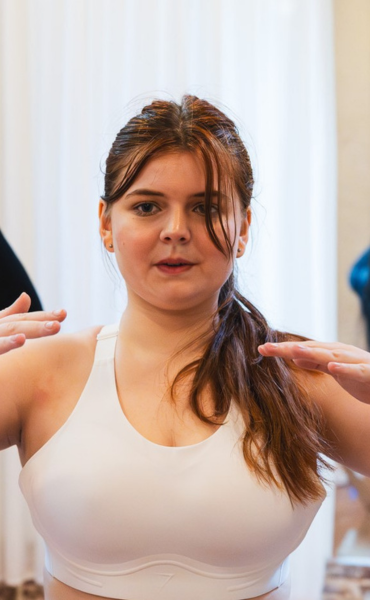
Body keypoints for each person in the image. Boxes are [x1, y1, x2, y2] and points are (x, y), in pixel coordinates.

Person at [0, 96, 369, 600]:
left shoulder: (301, 377)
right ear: (106, 224)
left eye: (206, 207)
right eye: (148, 206)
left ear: (242, 230)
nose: (175, 230)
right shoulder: (38, 371)